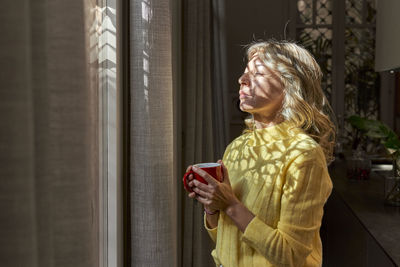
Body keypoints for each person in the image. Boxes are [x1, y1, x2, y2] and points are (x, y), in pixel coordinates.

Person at [185, 39, 336, 267]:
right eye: (245, 73)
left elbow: (290, 256)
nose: (242, 80)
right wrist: (212, 205)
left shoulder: (303, 155)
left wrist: (231, 205)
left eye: (258, 74)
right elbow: (224, 239)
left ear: (290, 85)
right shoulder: (237, 148)